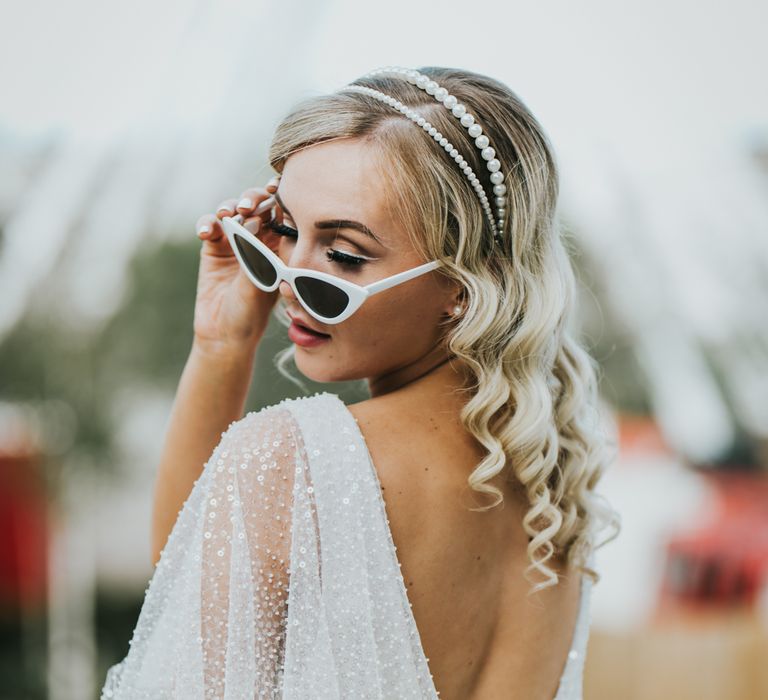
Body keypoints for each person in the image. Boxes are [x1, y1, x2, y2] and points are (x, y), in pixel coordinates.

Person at [101, 65, 620, 699]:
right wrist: (221, 342)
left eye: (343, 255)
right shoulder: (552, 476)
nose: (289, 278)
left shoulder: (294, 458)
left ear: (463, 286)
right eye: (286, 229)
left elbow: (184, 636)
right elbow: (192, 593)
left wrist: (218, 351)